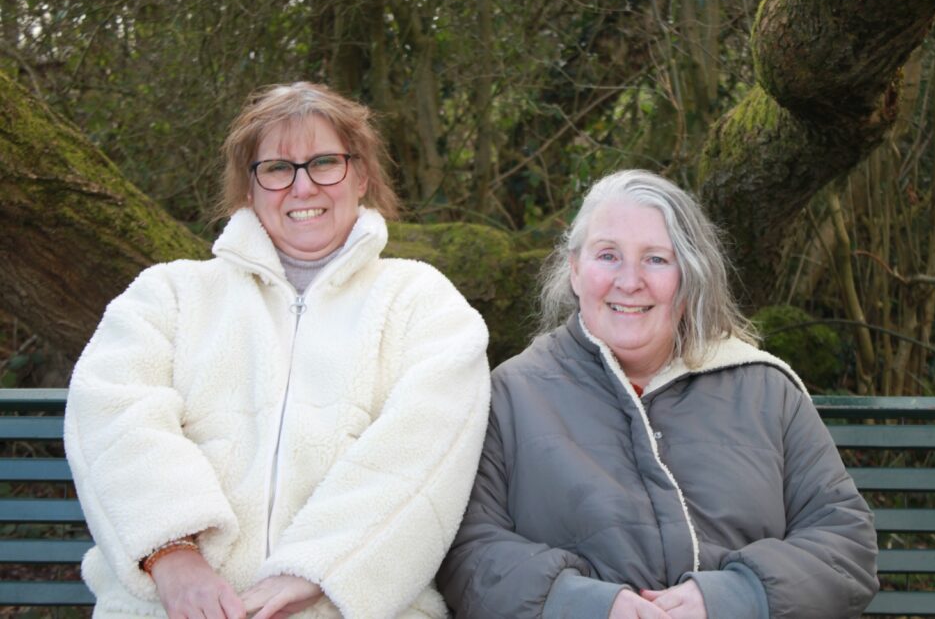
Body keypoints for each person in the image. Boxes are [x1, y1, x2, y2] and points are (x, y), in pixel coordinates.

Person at [64, 82, 491, 619]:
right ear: (248, 188)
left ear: (361, 176)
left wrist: (319, 567)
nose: (302, 186)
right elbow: (112, 410)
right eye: (277, 168)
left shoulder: (421, 301)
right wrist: (172, 555)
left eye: (324, 163)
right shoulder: (168, 295)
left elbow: (428, 444)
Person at [438, 169, 878, 618]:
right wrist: (584, 606)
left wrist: (734, 598)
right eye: (608, 255)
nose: (629, 282)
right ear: (574, 269)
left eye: (656, 259)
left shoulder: (766, 391)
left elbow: (845, 542)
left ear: (689, 278)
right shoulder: (512, 396)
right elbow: (465, 548)